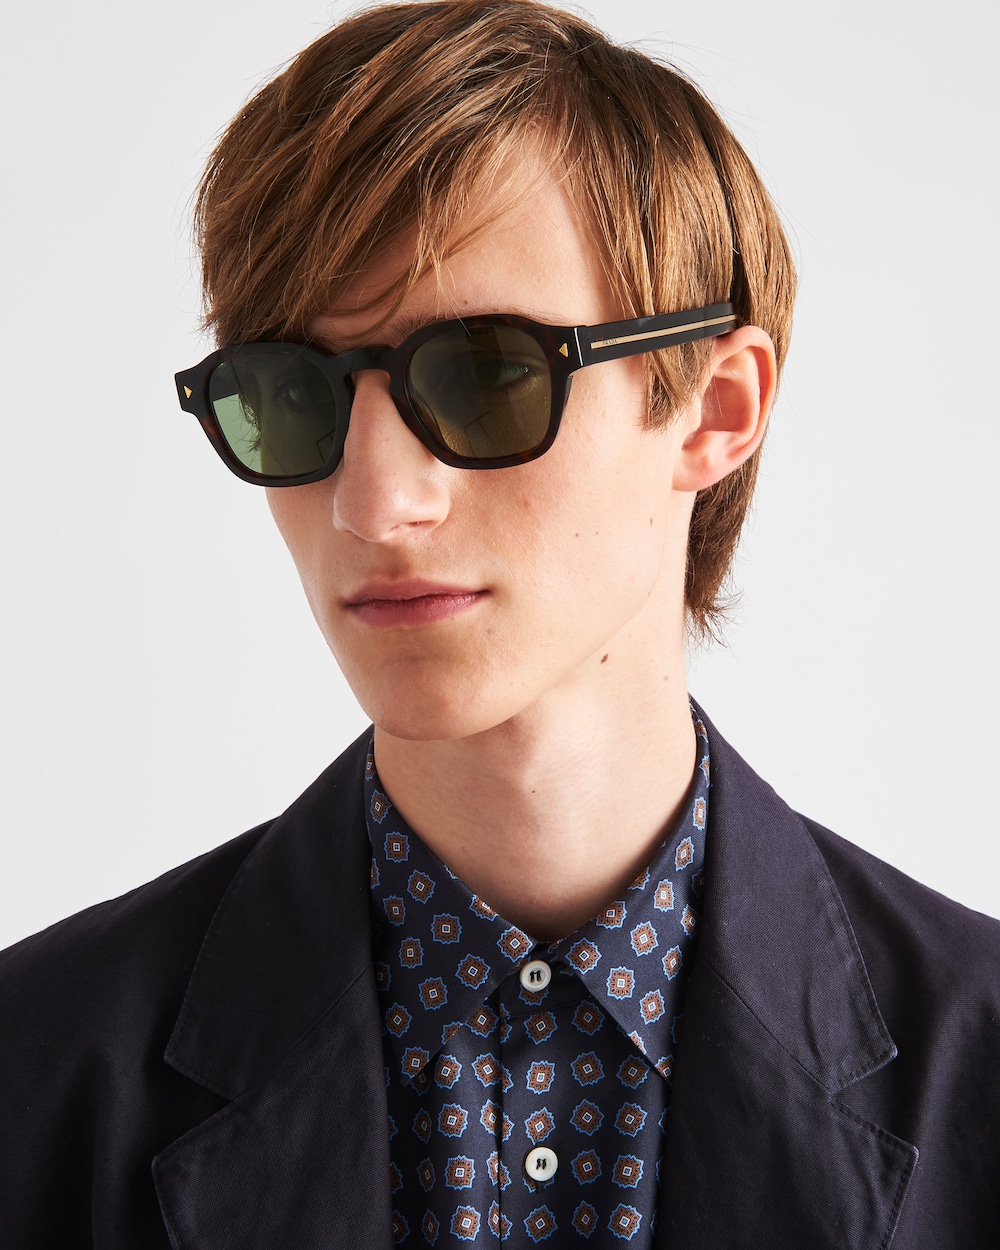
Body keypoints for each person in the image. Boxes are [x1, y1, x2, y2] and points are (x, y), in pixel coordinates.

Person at [1, 1, 998, 1246]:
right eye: (288, 395)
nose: (373, 503)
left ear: (713, 409)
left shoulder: (979, 1067)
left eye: (485, 375)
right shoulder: (34, 1068)